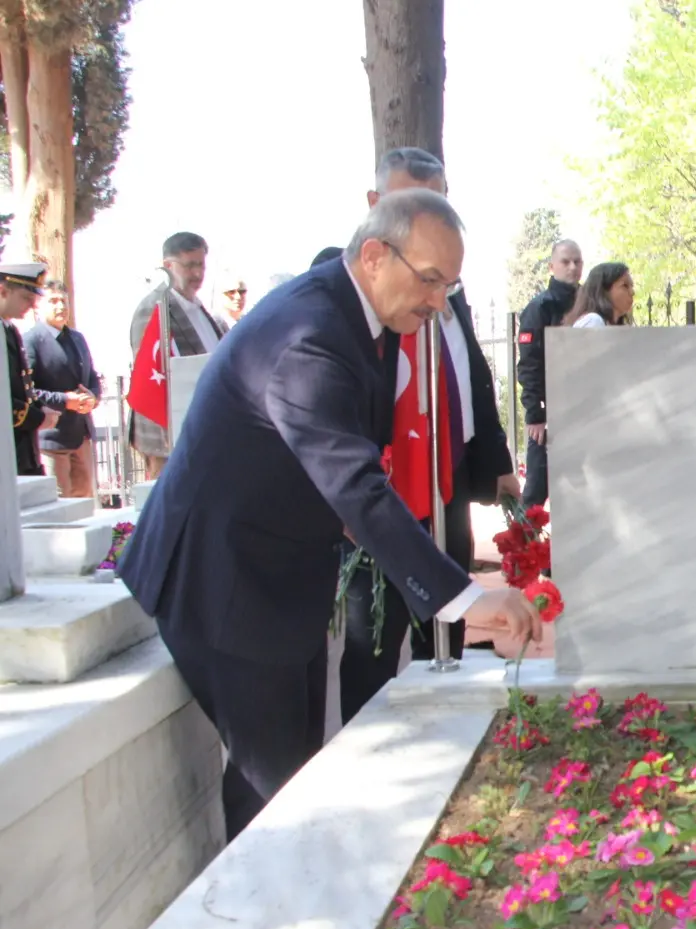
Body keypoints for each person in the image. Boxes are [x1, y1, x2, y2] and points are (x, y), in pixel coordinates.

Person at [117, 189, 542, 842]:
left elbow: (341, 475)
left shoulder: (358, 316)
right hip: (223, 584)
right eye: (429, 280)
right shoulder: (310, 334)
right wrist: (461, 600)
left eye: (449, 286)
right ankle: (266, 924)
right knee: (274, 791)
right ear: (375, 255)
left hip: (279, 578)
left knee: (297, 771)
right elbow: (353, 484)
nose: (438, 302)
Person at [337, 148, 520, 727]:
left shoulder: (446, 289)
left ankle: (444, 732)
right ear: (374, 208)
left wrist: (494, 460)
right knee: (376, 636)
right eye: (408, 202)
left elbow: (470, 378)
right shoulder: (355, 290)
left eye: (437, 201)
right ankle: (367, 744)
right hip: (383, 488)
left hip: (447, 477)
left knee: (445, 626)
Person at [128, 233, 226, 477]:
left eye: (201, 265)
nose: (197, 274)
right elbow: (150, 374)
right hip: (167, 435)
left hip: (204, 424)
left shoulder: (201, 309)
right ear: (168, 266)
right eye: (189, 265)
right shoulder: (155, 307)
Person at [516, 240, 583, 509]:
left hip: (581, 413)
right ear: (551, 266)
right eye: (566, 261)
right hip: (549, 417)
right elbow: (529, 365)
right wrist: (535, 415)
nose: (572, 267)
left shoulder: (589, 303)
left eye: (577, 261)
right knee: (535, 494)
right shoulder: (539, 308)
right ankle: (521, 549)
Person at [25, 282, 101, 498]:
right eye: (53, 301)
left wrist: (93, 398)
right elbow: (27, 390)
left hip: (81, 437)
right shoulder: (31, 340)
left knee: (85, 505)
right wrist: (64, 400)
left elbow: (92, 377)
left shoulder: (77, 338)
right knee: (60, 509)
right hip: (51, 440)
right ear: (38, 306)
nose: (60, 306)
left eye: (64, 301)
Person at [3, 263, 47, 477]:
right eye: (26, 298)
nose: (31, 306)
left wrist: (40, 409)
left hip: (21, 449)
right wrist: (37, 417)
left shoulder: (10, 330)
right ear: (3, 291)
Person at [564, 262, 634, 327]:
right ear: (603, 290)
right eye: (625, 285)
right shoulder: (593, 321)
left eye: (632, 287)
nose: (632, 292)